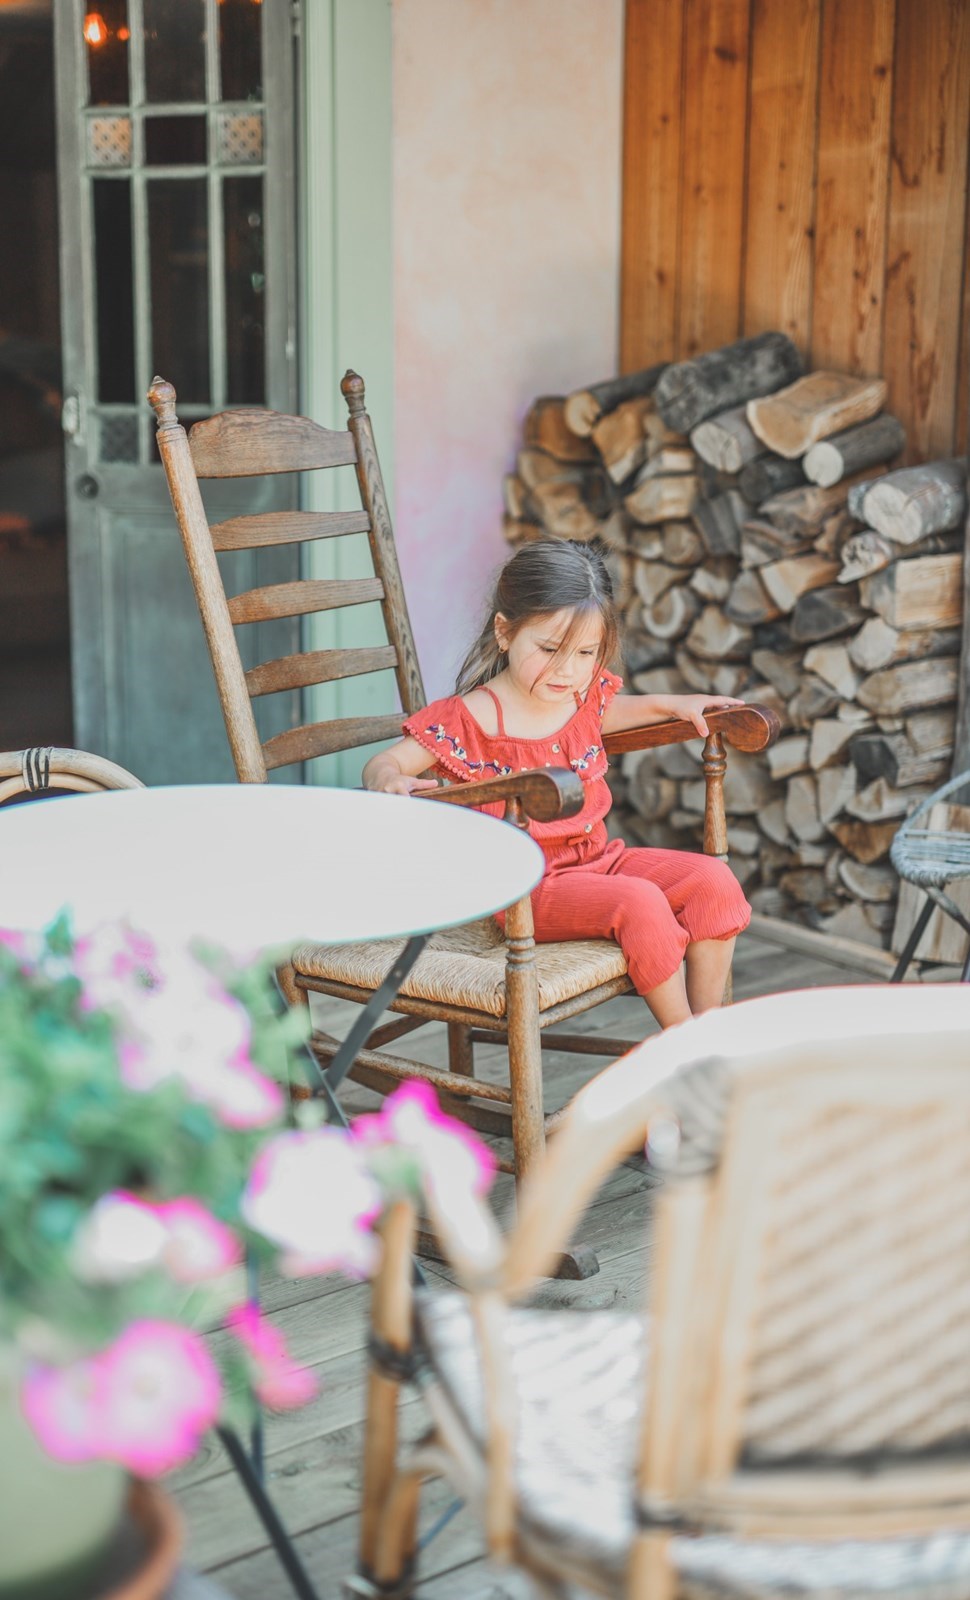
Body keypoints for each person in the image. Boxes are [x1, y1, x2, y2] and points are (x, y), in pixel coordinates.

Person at [362, 538, 750, 1028]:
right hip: (527, 888)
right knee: (642, 902)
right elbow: (384, 761)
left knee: (714, 883)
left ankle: (708, 1029)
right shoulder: (471, 718)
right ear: (504, 633)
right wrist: (390, 780)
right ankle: (682, 1047)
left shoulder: (580, 695)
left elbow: (619, 711)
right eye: (549, 650)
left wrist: (677, 703)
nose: (568, 670)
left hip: (600, 862)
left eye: (587, 652)